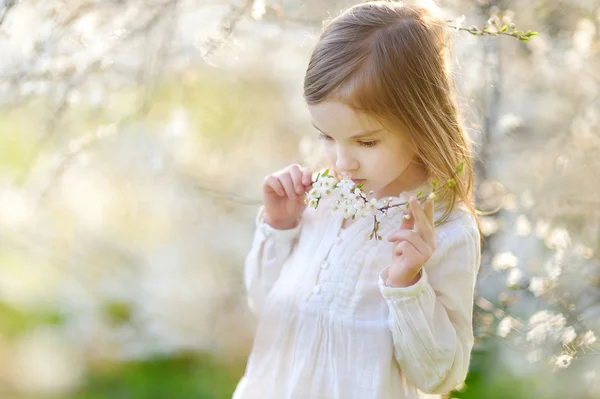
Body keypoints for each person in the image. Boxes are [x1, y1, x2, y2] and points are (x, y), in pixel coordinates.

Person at [233, 1, 482, 398]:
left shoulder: (445, 228)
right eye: (327, 137)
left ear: (419, 122)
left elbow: (438, 377)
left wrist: (408, 285)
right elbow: (267, 311)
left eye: (366, 141)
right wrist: (279, 228)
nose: (342, 162)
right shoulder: (322, 198)